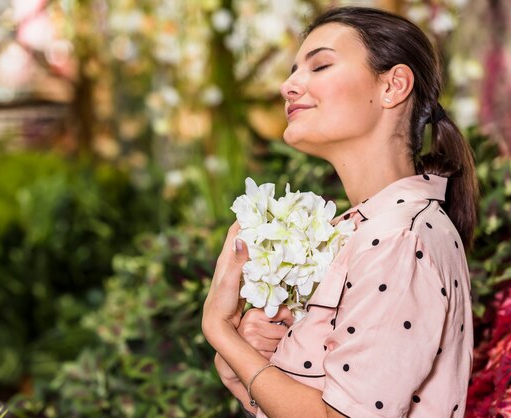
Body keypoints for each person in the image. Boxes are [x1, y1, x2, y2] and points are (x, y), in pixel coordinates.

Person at [202, 6, 478, 418]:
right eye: (295, 70)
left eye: (321, 66)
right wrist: (246, 352)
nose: (288, 86)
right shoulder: (361, 230)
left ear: (394, 86)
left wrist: (220, 330)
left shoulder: (397, 240)